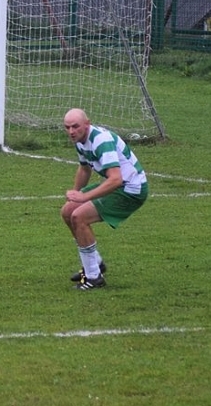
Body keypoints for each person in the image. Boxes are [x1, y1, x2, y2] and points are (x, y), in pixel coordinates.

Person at [60, 108, 149, 290]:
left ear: (87, 123)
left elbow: (116, 179)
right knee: (68, 211)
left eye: (75, 126)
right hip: (119, 185)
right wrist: (75, 195)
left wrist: (83, 196)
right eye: (67, 127)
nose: (71, 131)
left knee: (79, 217)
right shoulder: (80, 141)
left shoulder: (101, 140)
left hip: (131, 189)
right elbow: (84, 169)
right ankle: (95, 265)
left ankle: (94, 278)